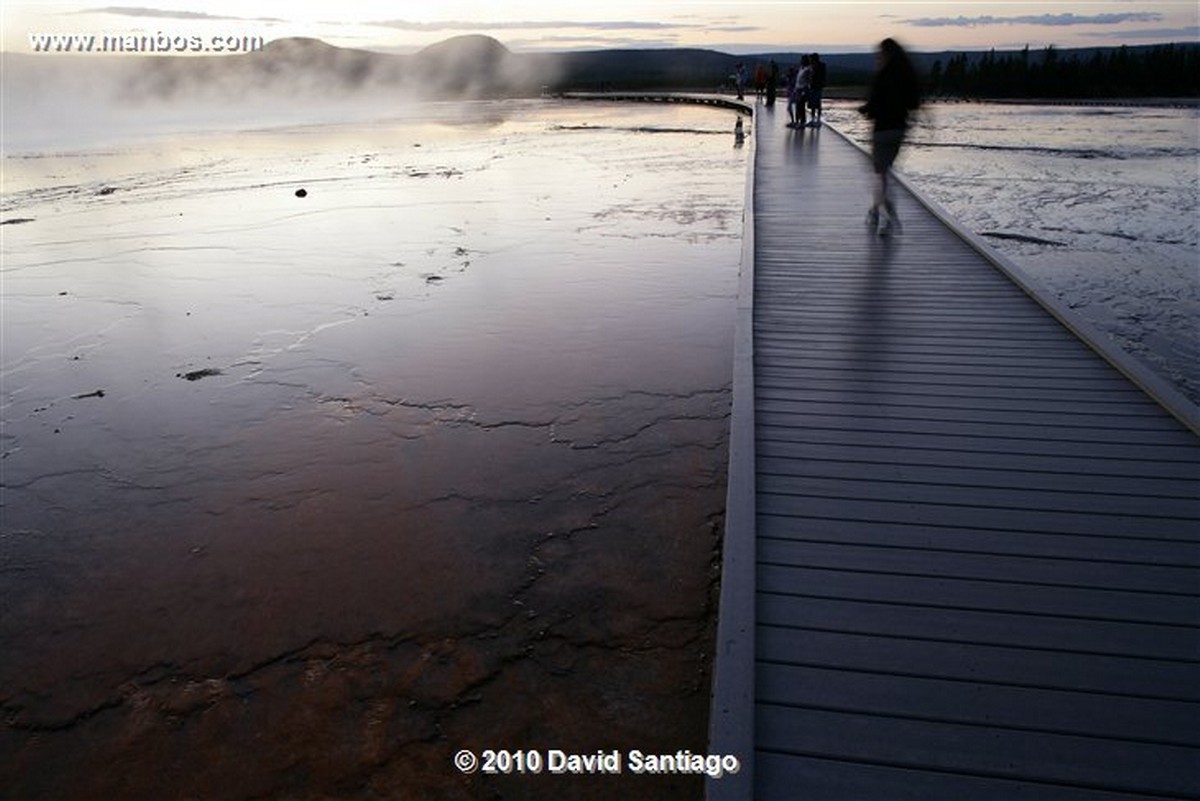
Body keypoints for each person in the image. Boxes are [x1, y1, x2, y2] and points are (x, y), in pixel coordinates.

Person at [859, 38, 921, 235]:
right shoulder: (906, 74)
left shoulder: (883, 75)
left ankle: (887, 218)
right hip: (899, 130)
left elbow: (873, 103)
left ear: (885, 54)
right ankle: (876, 210)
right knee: (885, 173)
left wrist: (865, 109)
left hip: (882, 130)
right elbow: (914, 103)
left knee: (881, 175)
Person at [807, 53, 826, 126]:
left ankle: (818, 119)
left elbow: (821, 76)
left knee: (817, 103)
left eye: (811, 59)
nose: (810, 60)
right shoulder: (812, 66)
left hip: (817, 87)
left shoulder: (821, 66)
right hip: (813, 86)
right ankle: (813, 119)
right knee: (812, 104)